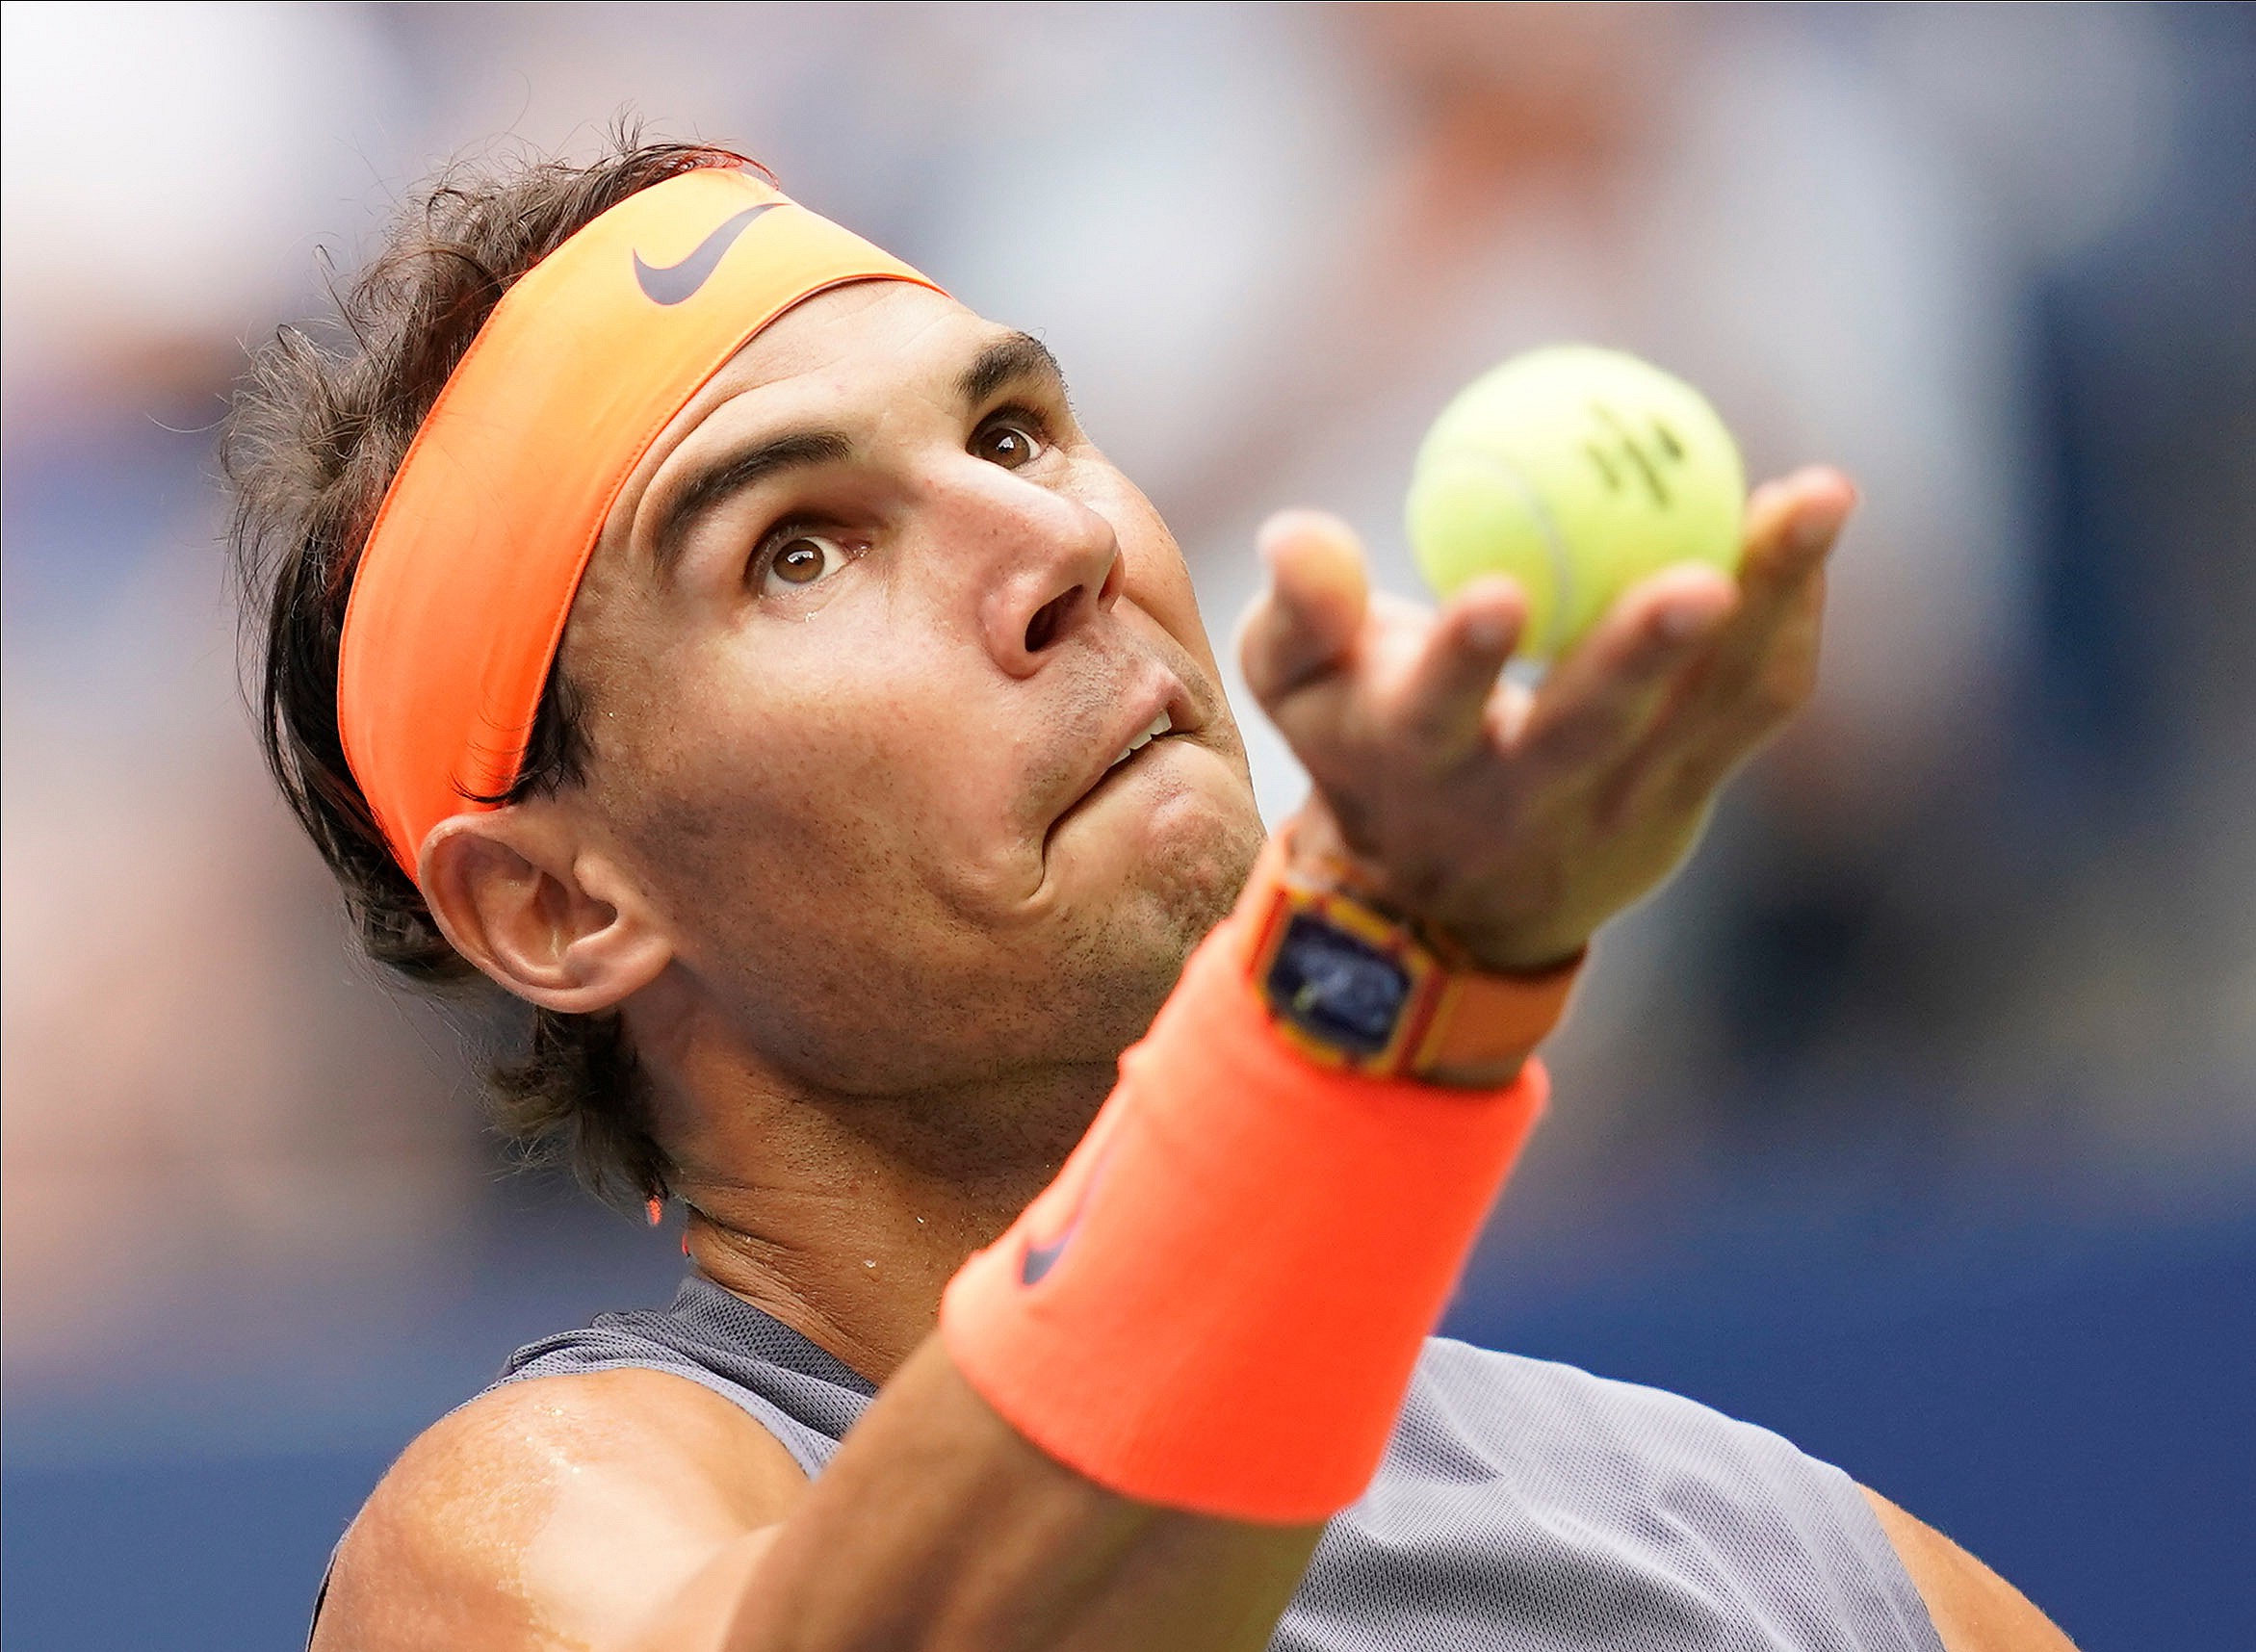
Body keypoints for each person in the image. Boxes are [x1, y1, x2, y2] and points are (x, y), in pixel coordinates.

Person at [227, 138, 2071, 1651]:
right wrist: (1382, 974)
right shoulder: (521, 1547)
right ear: (558, 908)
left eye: (1015, 432)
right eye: (798, 550)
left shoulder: (1779, 1567)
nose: (1055, 544)